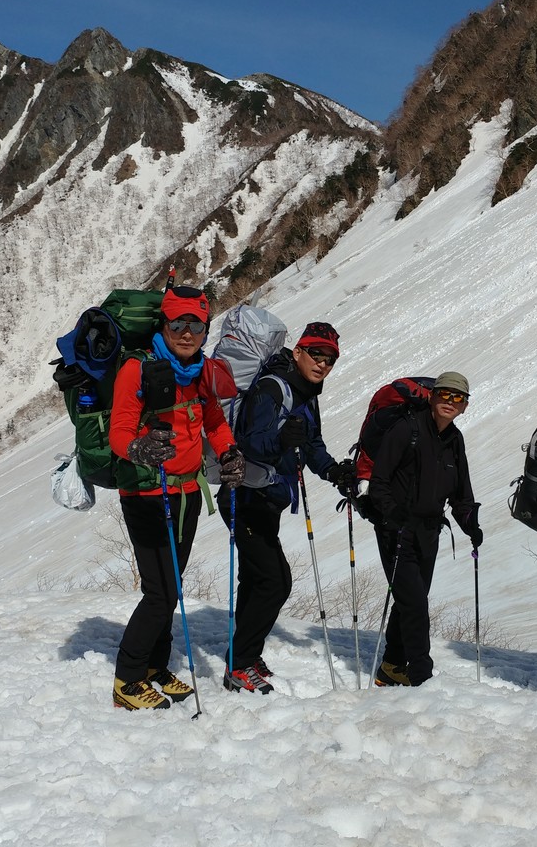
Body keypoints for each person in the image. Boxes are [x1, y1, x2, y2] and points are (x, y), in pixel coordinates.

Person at [107, 286, 246, 711]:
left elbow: (215, 422)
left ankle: (154, 666)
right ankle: (128, 678)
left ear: (205, 329)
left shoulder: (201, 371)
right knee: (160, 592)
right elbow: (119, 432)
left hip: (186, 491)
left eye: (196, 325)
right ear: (164, 325)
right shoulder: (137, 369)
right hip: (147, 494)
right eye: (178, 323)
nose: (187, 332)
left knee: (172, 587)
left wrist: (229, 452)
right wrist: (138, 450)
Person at [222, 322, 353, 693]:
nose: (323, 363)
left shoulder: (306, 393)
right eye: (316, 354)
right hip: (246, 496)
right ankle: (239, 663)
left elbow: (311, 444)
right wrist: (280, 440)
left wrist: (333, 471)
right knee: (274, 582)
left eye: (330, 359)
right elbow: (250, 442)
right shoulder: (273, 388)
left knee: (256, 579)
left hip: (270, 498)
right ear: (298, 352)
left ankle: (243, 655)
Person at [367, 371, 480, 687]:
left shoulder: (455, 440)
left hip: (429, 532)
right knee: (415, 605)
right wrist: (393, 516)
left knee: (409, 603)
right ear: (433, 396)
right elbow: (379, 483)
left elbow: (461, 494)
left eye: (457, 398)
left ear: (465, 406)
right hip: (396, 532)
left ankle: (391, 667)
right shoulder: (406, 429)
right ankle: (421, 678)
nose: (450, 401)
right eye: (445, 394)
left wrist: (470, 523)